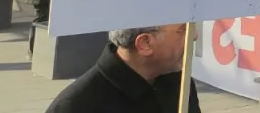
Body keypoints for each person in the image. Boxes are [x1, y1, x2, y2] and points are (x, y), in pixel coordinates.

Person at [46, 24, 201, 112]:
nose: (194, 36)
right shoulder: (75, 106)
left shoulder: (179, 82)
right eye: (183, 29)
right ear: (145, 43)